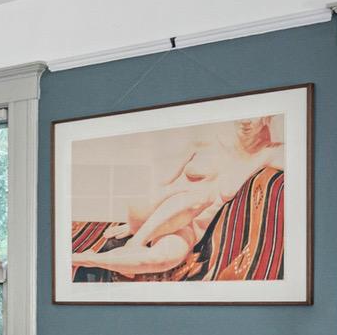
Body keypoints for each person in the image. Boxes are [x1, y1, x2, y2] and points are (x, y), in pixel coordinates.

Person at [68, 115, 286, 282]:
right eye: (240, 115)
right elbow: (163, 182)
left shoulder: (267, 155)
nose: (246, 121)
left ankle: (81, 258)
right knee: (200, 196)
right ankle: (136, 242)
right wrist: (135, 226)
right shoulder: (207, 143)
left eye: (255, 115)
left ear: (268, 118)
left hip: (190, 229)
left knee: (164, 259)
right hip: (154, 210)